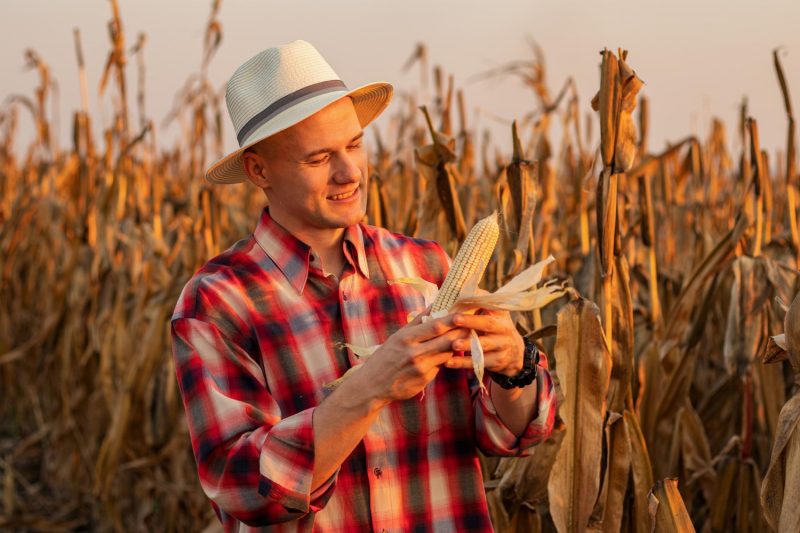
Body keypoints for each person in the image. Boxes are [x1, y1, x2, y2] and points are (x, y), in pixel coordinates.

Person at [171, 40, 556, 532]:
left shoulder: (427, 265)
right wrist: (371, 388)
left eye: (354, 145)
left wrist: (512, 368)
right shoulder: (217, 301)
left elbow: (506, 435)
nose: (349, 172)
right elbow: (238, 483)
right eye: (319, 158)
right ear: (258, 169)